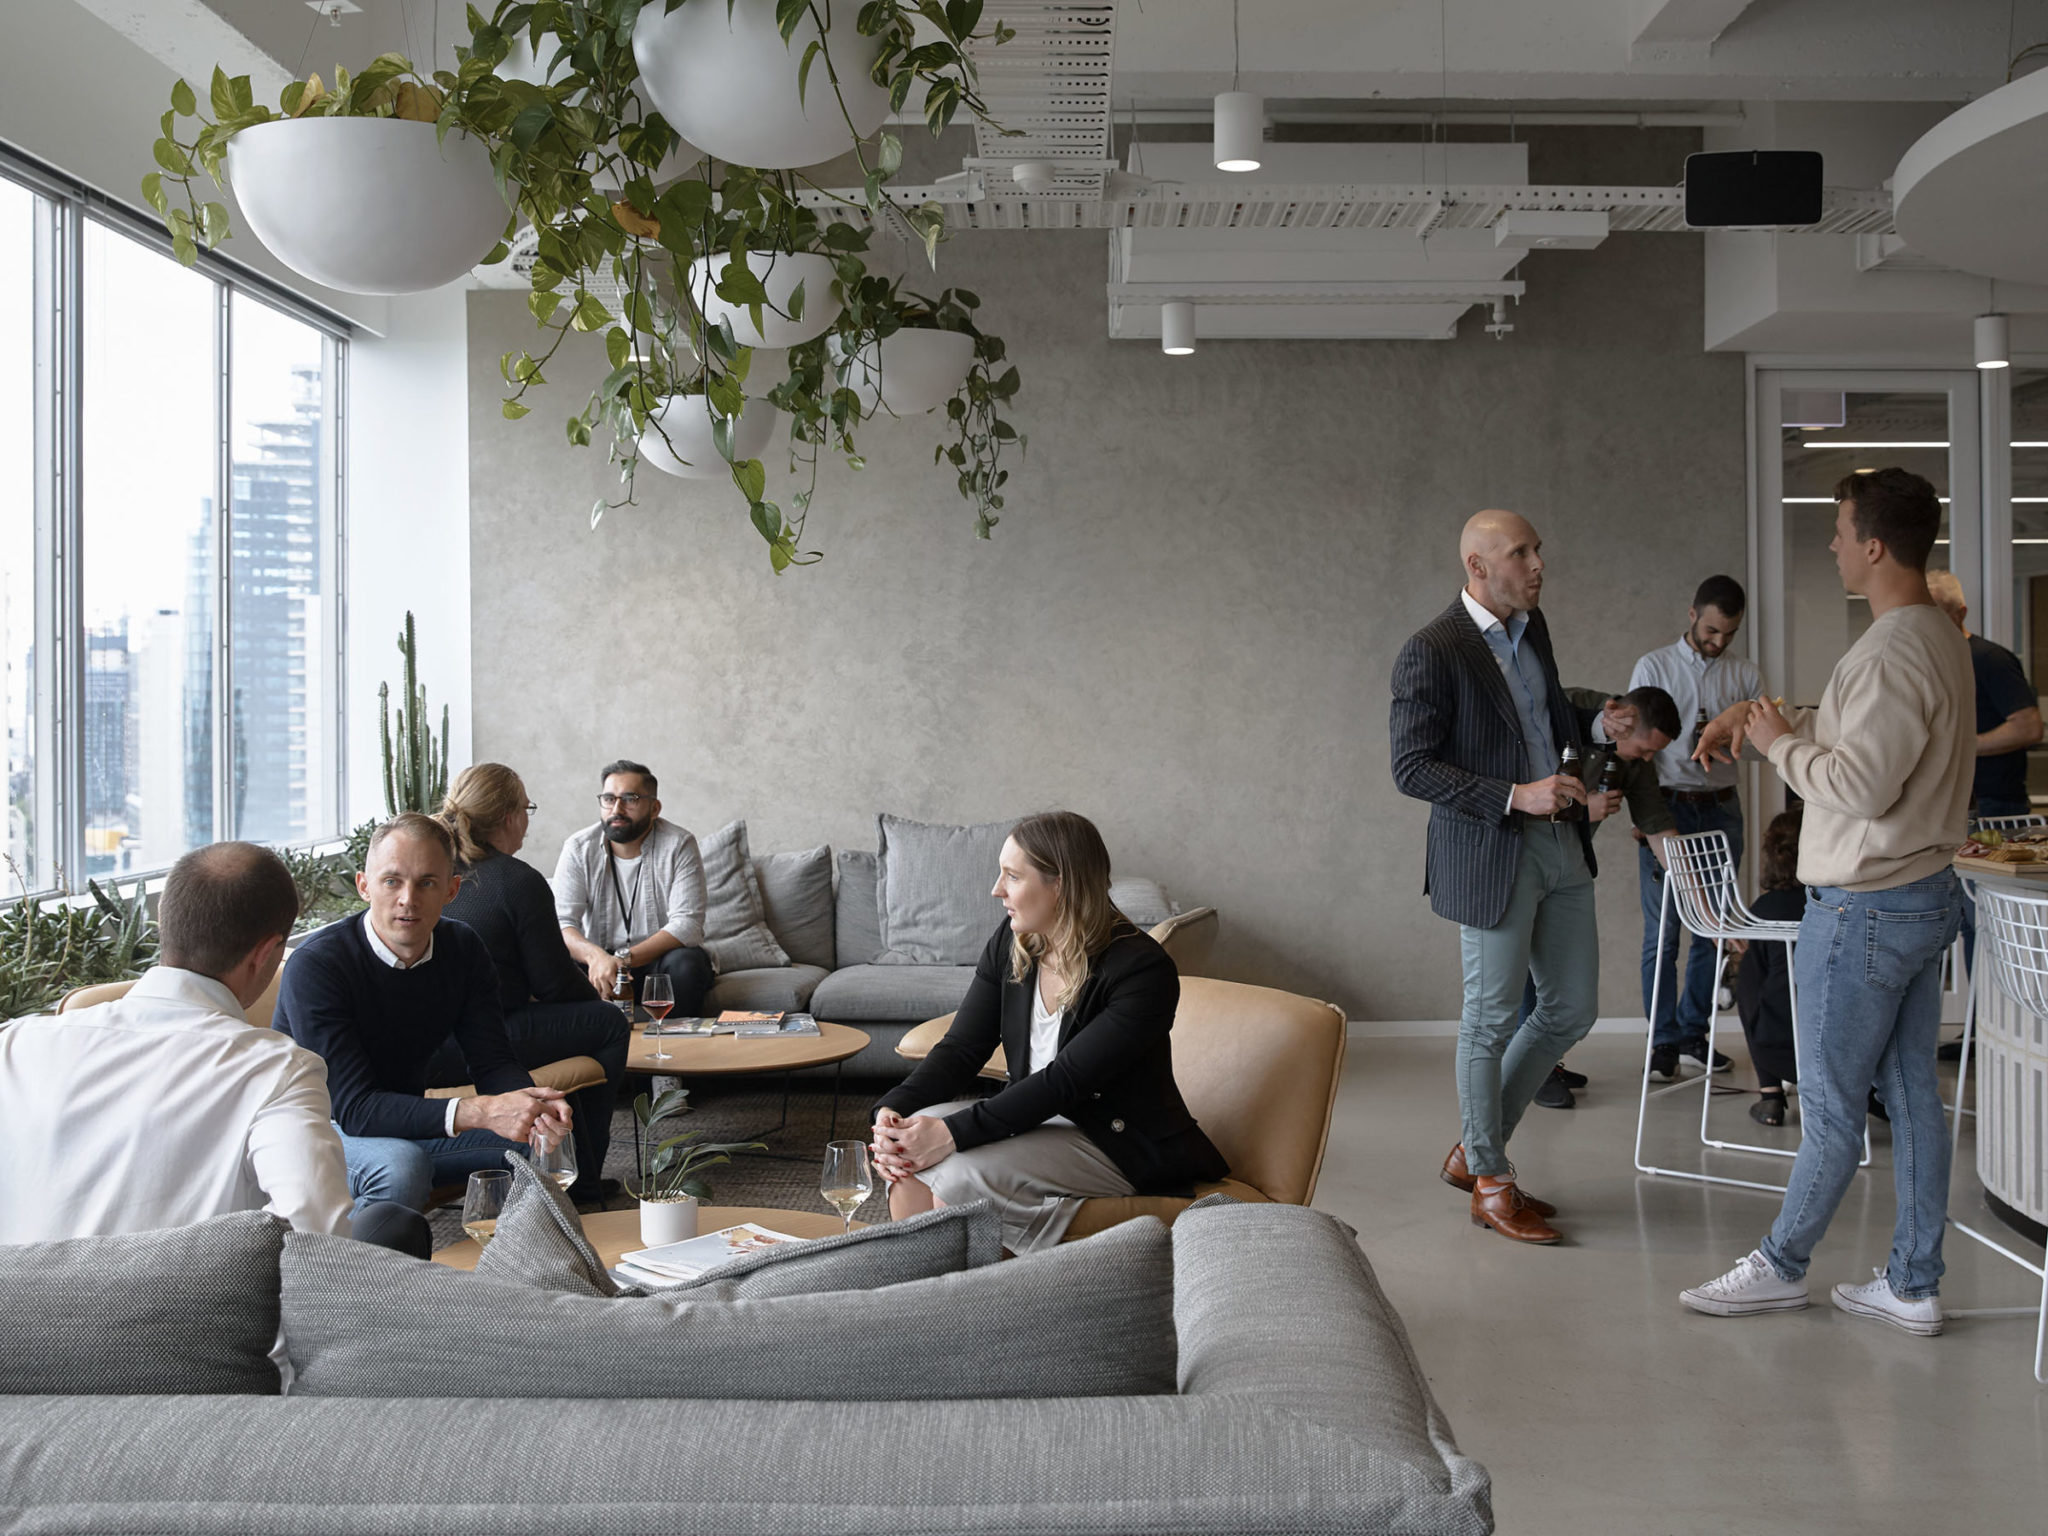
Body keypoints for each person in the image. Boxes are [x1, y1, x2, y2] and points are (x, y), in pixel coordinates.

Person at [1681, 467, 1972, 1337]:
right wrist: (1772, 717)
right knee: (1914, 1097)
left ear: (1875, 545)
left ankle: (1779, 1265)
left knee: (1834, 1106)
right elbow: (1868, 735)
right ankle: (1912, 1284)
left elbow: (1861, 782)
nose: (1834, 544)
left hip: (1867, 907)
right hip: (1920, 895)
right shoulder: (1938, 635)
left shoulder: (1890, 648)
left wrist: (1774, 744)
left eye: (1841, 532)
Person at [0, 841, 427, 1256]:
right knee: (392, 1227)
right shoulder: (277, 1072)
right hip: (183, 1323)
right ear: (265, 954)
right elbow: (317, 1245)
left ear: (166, 926)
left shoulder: (17, 1043)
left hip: (16, 1319)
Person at [1390, 509, 1607, 1245]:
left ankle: (1473, 1154)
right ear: (1479, 566)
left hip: (1563, 844)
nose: (1539, 564)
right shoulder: (1432, 650)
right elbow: (1411, 767)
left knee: (1571, 1008)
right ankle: (1490, 1178)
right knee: (1488, 1019)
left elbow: (1546, 724)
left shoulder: (1533, 628)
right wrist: (1518, 796)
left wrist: (1589, 761)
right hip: (1493, 851)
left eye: (1539, 550)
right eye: (1522, 553)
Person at [869, 811, 1226, 1255]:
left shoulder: (1141, 970)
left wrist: (950, 1134)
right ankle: (927, 1299)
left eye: (1012, 876)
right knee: (909, 1149)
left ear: (1062, 884)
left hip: (1115, 1140)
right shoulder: (1014, 939)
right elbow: (963, 1046)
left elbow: (1066, 1082)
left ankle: (994, 1302)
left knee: (959, 1173)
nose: (996, 890)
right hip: (1037, 1116)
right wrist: (894, 1108)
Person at [274, 813, 574, 1216]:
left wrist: (527, 1106)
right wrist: (480, 1111)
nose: (408, 899)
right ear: (365, 886)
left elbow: (493, 1060)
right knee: (400, 1167)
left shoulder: (463, 949)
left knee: (541, 1142)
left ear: (451, 890)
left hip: (399, 1125)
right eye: (392, 881)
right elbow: (354, 1108)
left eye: (426, 883)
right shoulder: (320, 965)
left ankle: (510, 1268)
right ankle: (357, 1277)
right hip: (318, 1131)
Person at [440, 763, 633, 1206]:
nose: (527, 820)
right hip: (477, 1043)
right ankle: (581, 1182)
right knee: (605, 1024)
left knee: (576, 1024)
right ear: (509, 817)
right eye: (526, 808)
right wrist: (596, 996)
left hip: (427, 1043)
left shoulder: (435, 868)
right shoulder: (518, 880)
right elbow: (552, 984)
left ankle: (569, 1167)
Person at [1628, 576, 1765, 1082]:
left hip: (1723, 810)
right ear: (1692, 615)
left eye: (1729, 633)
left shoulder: (1746, 676)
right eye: (1711, 630)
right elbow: (1635, 746)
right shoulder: (1654, 666)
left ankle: (1693, 1035)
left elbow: (1761, 745)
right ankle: (1661, 1042)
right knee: (1662, 934)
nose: (1719, 642)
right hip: (1667, 812)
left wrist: (1735, 738)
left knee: (1715, 931)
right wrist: (1643, 818)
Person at [1526, 684, 1682, 1109]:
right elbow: (1521, 783)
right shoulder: (1568, 707)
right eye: (1646, 749)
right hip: (1521, 856)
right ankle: (1531, 1074)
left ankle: (1546, 1060)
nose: (1649, 760)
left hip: (1568, 864)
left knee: (1556, 970)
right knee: (1525, 970)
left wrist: (1696, 896)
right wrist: (1580, 808)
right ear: (1626, 719)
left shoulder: (1636, 759)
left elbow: (1657, 826)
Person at [554, 760, 714, 1020]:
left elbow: (687, 924)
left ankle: (681, 1047)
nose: (616, 809)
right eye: (608, 799)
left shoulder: (679, 844)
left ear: (654, 808)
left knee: (688, 962)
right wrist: (597, 957)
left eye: (630, 799)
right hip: (598, 964)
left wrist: (624, 960)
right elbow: (561, 922)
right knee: (553, 963)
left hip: (656, 964)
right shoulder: (578, 847)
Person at [1926, 569, 2042, 823]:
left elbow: (2028, 728)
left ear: (1961, 613)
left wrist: (1963, 746)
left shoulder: (1990, 659)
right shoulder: (1933, 661)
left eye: (1939, 615)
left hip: (1994, 804)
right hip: (1946, 801)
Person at [1736, 806, 1805, 1128]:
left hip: (1779, 1047)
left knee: (1749, 968)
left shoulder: (1763, 910)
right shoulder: (1835, 904)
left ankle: (1770, 1095)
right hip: (1847, 1052)